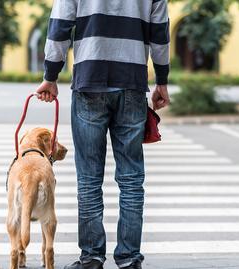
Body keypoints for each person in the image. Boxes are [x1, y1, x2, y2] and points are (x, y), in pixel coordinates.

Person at [36, 1, 171, 269]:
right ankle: (130, 258)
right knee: (131, 179)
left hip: (90, 82)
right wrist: (162, 81)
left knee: (88, 178)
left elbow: (60, 27)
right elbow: (160, 34)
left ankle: (92, 258)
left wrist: (50, 76)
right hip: (132, 84)